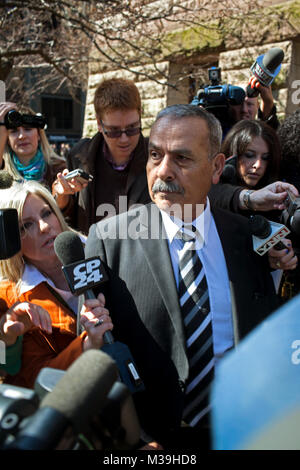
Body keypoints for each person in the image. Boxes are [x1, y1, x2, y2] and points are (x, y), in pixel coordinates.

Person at [84, 104, 296, 449]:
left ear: (216, 168)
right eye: (155, 155)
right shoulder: (109, 241)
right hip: (149, 441)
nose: (163, 171)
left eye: (182, 158)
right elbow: (98, 356)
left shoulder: (248, 240)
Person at [0, 180, 113, 389]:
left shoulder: (104, 251)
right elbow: (34, 376)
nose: (45, 227)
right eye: (27, 225)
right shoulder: (10, 301)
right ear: (11, 239)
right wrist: (87, 346)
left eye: (46, 213)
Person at [53, 78, 151, 235]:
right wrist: (62, 196)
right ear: (99, 124)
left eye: (132, 128)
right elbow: (68, 220)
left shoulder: (158, 157)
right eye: (114, 131)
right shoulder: (79, 156)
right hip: (94, 254)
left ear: (140, 115)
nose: (124, 138)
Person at [0, 102, 67, 190]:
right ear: (7, 139)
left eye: (28, 129)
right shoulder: (3, 171)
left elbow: (64, 203)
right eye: (14, 131)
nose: (22, 136)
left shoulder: (58, 168)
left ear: (39, 134)